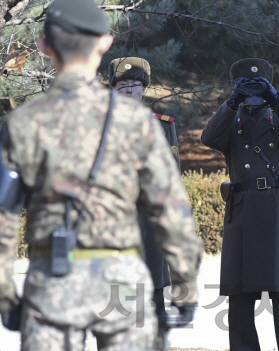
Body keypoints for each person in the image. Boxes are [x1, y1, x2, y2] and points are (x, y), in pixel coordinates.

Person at [0, 0, 202, 350]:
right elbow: (171, 213)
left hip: (52, 280)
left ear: (44, 46)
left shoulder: (22, 123)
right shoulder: (137, 122)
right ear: (104, 43)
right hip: (123, 282)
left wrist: (5, 297)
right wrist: (185, 288)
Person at [201, 58, 279, 351]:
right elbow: (208, 137)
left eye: (257, 87)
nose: (252, 94)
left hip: (278, 213)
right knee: (239, 303)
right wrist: (231, 102)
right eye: (245, 87)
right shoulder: (232, 121)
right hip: (243, 215)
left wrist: (275, 97)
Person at [107, 56, 180, 350]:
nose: (128, 91)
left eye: (135, 85)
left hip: (150, 226)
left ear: (145, 89)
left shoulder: (163, 126)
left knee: (153, 298)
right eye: (122, 85)